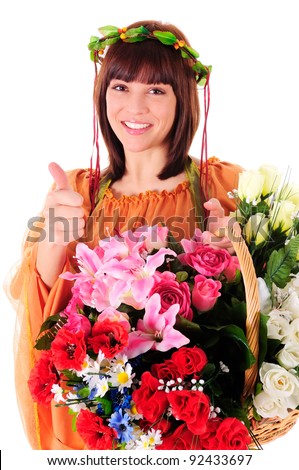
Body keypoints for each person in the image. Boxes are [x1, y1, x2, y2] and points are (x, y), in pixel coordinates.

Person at [7, 20, 243, 450]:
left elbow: (265, 312)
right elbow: (35, 315)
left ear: (182, 99)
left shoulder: (221, 187)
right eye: (120, 86)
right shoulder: (76, 191)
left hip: (186, 429)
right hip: (93, 427)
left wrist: (239, 255)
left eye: (156, 90)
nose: (134, 107)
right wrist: (55, 240)